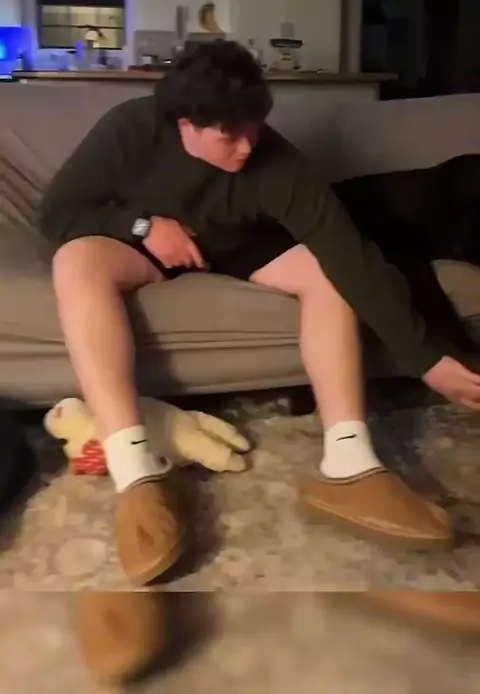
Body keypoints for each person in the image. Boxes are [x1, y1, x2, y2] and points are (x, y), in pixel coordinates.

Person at [38, 40, 480, 586]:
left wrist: (428, 357)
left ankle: (351, 462)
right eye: (230, 135)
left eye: (254, 127)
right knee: (74, 262)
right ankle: (136, 475)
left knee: (330, 270)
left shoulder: (272, 158)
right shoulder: (130, 128)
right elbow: (58, 212)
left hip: (240, 244)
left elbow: (351, 254)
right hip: (148, 245)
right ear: (185, 125)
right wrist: (143, 227)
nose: (247, 146)